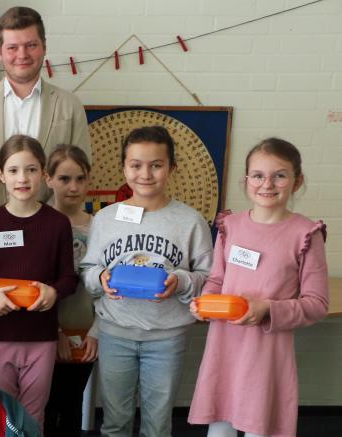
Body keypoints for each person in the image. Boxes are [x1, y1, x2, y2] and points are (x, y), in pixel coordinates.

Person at [188, 138, 329, 437]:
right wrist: (205, 302)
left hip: (266, 355)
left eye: (279, 175)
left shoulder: (306, 234)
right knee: (220, 426)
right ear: (246, 179)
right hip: (224, 347)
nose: (267, 183)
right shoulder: (231, 226)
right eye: (258, 175)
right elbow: (216, 280)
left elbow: (316, 303)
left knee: (259, 428)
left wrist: (268, 309)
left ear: (297, 181)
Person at [79, 126, 213, 437]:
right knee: (115, 422)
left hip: (166, 337)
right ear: (124, 167)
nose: (146, 174)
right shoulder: (105, 218)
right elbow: (87, 269)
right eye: (136, 165)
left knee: (157, 424)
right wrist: (100, 277)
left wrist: (179, 282)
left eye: (156, 165)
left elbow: (208, 279)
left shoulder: (190, 221)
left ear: (172, 168)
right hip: (115, 334)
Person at [0, 136, 77, 428]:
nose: (22, 179)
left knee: (33, 415)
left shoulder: (58, 224)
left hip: (42, 339)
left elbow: (68, 279)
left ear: (44, 175)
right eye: (13, 171)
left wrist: (54, 291)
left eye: (31, 170)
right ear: (1, 175)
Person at [0, 6, 91, 228]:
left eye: (31, 45)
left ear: (43, 47)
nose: (22, 55)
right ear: (1, 52)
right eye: (13, 47)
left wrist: (44, 223)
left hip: (48, 236)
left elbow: (80, 169)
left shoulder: (70, 106)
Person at [40, 144, 98, 436]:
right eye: (64, 179)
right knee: (46, 407)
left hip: (87, 331)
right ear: (48, 178)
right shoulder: (38, 223)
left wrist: (97, 332)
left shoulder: (100, 227)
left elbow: (106, 290)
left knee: (72, 404)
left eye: (80, 178)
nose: (73, 187)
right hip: (45, 330)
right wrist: (56, 332)